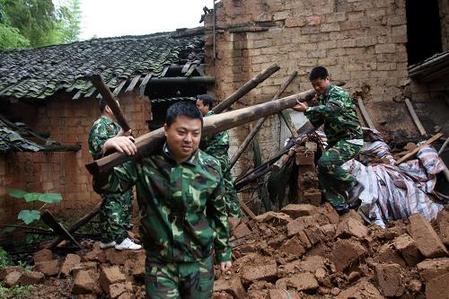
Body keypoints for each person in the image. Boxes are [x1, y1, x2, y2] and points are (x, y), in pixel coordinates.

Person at [93, 101, 232, 298]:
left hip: (199, 264)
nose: (188, 140)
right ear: (166, 129)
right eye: (182, 132)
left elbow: (218, 213)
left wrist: (224, 251)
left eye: (195, 133)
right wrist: (107, 149)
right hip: (161, 265)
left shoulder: (211, 167)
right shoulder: (144, 162)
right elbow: (105, 187)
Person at [292, 66, 364, 214]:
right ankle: (339, 205)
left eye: (319, 84)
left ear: (327, 79)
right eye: (314, 85)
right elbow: (317, 119)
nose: (317, 88)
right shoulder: (322, 98)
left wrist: (308, 109)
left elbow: (332, 110)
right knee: (322, 171)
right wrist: (310, 108)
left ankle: (354, 184)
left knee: (325, 162)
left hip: (351, 139)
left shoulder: (338, 93)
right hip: (337, 142)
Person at [88, 98, 141, 250]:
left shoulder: (113, 125)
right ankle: (120, 239)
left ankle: (107, 239)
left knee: (109, 205)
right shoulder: (100, 125)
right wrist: (111, 142)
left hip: (119, 172)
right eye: (116, 107)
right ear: (108, 108)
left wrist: (121, 134)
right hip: (111, 174)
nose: (119, 109)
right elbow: (98, 147)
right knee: (116, 203)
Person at [196, 94, 242, 218]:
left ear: (206, 106)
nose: (197, 108)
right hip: (215, 160)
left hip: (217, 160)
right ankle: (233, 217)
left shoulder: (211, 121)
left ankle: (234, 217)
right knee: (224, 188)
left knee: (223, 188)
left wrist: (206, 155)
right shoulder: (206, 120)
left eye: (199, 105)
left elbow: (223, 142)